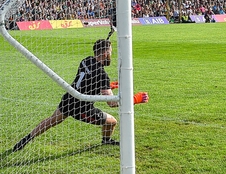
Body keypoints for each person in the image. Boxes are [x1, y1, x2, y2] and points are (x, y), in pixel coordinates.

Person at [12, 39, 148, 151]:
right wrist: (135, 99)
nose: (111, 55)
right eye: (110, 52)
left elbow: (86, 80)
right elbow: (112, 103)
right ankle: (106, 140)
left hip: (69, 98)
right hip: (82, 109)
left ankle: (26, 139)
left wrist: (108, 86)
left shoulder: (86, 60)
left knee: (52, 121)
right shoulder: (102, 75)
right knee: (112, 122)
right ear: (105, 53)